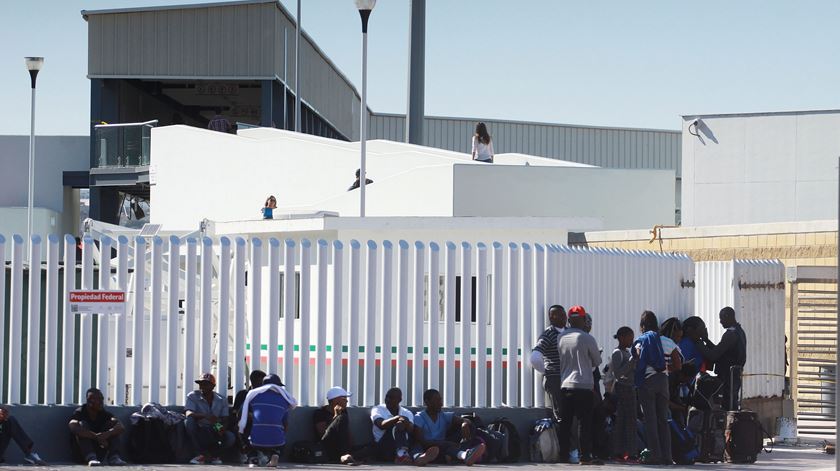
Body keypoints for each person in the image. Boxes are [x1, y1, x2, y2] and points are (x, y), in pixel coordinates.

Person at [554, 305, 602, 465]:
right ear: (582, 319)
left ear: (569, 319)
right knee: (584, 423)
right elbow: (597, 361)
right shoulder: (587, 338)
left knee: (566, 423)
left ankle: (563, 456)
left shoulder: (560, 337)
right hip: (583, 386)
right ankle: (585, 457)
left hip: (565, 385)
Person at [633, 311, 672, 465]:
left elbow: (638, 360)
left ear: (642, 325)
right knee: (663, 419)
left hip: (648, 381)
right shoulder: (664, 340)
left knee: (650, 420)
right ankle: (667, 456)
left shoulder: (641, 340)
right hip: (663, 380)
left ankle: (655, 455)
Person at [237, 374, 297, 467]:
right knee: (280, 434)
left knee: (242, 428)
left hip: (256, 440)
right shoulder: (284, 400)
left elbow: (241, 415)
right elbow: (285, 424)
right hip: (277, 440)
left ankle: (253, 457)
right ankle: (276, 453)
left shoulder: (253, 396)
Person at [694, 306, 747, 410]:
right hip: (734, 376)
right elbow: (721, 352)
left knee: (728, 407)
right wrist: (707, 341)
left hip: (728, 378)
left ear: (728, 317)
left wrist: (697, 342)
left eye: (722, 318)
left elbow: (713, 356)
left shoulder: (730, 334)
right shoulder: (739, 331)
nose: (720, 322)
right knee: (732, 405)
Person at [413, 389, 485, 466]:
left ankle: (465, 455)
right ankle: (420, 458)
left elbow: (465, 420)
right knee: (416, 446)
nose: (441, 404)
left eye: (440, 400)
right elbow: (421, 441)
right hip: (426, 448)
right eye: (437, 400)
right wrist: (444, 443)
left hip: (441, 449)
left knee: (470, 426)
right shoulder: (419, 417)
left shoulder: (443, 415)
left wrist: (464, 424)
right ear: (427, 402)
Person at [371, 387, 438, 465]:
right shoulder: (378, 409)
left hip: (403, 444)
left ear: (400, 399)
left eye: (392, 398)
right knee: (396, 425)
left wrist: (406, 423)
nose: (388, 399)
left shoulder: (406, 412)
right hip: (383, 446)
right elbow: (381, 425)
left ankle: (418, 457)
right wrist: (397, 418)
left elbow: (411, 430)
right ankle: (403, 455)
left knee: (414, 440)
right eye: (387, 396)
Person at [314, 387, 375, 465]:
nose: (347, 400)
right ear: (335, 400)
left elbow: (347, 434)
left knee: (372, 446)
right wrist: (336, 416)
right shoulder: (319, 413)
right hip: (328, 448)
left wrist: (353, 447)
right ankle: (345, 456)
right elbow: (323, 435)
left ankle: (349, 456)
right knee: (342, 417)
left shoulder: (344, 411)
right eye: (344, 398)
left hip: (343, 447)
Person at [185, 373, 236, 465]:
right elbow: (188, 413)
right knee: (189, 422)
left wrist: (222, 428)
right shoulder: (192, 396)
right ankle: (199, 454)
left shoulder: (222, 399)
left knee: (230, 437)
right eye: (200, 384)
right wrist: (205, 416)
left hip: (214, 425)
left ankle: (214, 455)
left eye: (205, 384)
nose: (202, 386)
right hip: (199, 425)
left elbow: (225, 419)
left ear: (213, 386)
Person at [68, 388, 127, 466]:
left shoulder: (104, 413)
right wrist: (97, 437)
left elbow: (121, 426)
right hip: (82, 454)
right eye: (98, 399)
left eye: (102, 399)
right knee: (82, 424)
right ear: (90, 402)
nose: (101, 402)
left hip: (100, 452)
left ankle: (114, 458)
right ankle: (91, 458)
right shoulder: (80, 412)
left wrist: (108, 433)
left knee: (112, 425)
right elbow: (73, 427)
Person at [529, 305, 567, 423]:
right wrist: (548, 371)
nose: (563, 317)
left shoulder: (568, 332)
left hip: (568, 378)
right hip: (555, 378)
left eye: (563, 314)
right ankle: (561, 440)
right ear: (551, 318)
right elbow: (535, 357)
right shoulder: (548, 334)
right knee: (561, 413)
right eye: (558, 315)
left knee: (570, 413)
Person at [609, 326, 637, 462]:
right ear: (621, 338)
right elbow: (619, 374)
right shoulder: (617, 353)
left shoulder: (626, 352)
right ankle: (622, 452)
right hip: (623, 389)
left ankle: (625, 451)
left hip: (630, 389)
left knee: (629, 422)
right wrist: (633, 361)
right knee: (623, 421)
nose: (632, 341)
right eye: (630, 338)